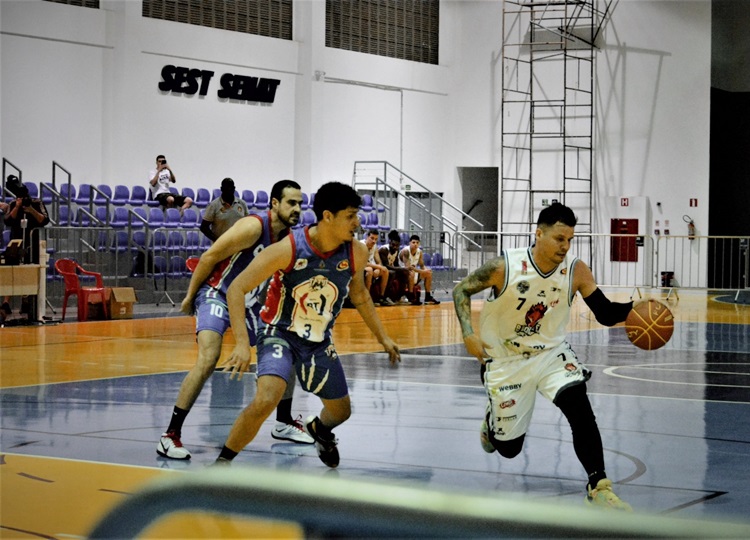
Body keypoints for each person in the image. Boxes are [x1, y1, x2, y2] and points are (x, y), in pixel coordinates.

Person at [452, 202, 633, 511]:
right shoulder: (504, 266)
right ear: (539, 234)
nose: (566, 246)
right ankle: (491, 421)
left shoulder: (576, 269)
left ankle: (598, 485)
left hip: (551, 354)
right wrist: (469, 333)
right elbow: (461, 291)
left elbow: (603, 313)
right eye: (559, 239)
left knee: (581, 411)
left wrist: (634, 310)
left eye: (570, 240)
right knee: (508, 450)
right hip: (507, 360)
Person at [215, 181, 401, 468]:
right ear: (328, 216)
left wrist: (383, 338)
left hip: (317, 340)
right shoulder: (289, 248)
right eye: (351, 215)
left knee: (341, 412)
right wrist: (241, 342)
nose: (357, 222)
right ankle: (223, 462)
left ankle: (320, 430)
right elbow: (236, 289)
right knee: (268, 397)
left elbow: (360, 295)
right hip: (278, 332)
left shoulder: (356, 253)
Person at [157, 179, 313, 460]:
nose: (297, 209)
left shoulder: (290, 238)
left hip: (248, 302)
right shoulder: (253, 226)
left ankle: (284, 421)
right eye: (291, 202)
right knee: (208, 357)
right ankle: (170, 435)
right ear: (275, 203)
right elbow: (209, 256)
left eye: (300, 204)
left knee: (286, 344)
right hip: (218, 292)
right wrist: (190, 297)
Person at [1, 176, 50, 322]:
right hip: (16, 241)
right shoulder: (12, 203)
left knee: (30, 270)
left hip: (32, 242)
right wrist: (17, 206)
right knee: (11, 270)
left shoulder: (36, 202)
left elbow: (44, 220)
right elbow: (8, 220)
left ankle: (28, 301)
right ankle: (6, 303)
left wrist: (30, 210)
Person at [199, 177, 249, 243]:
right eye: (226, 188)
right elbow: (204, 227)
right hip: (221, 247)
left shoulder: (242, 204)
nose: (229, 190)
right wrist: (217, 240)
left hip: (238, 245)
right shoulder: (214, 205)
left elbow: (247, 223)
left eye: (231, 188)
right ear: (221, 189)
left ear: (234, 189)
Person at [379, 230, 421, 305]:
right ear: (389, 242)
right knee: (392, 273)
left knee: (405, 273)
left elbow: (395, 264)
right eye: (393, 245)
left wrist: (404, 269)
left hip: (391, 269)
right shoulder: (384, 250)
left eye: (397, 245)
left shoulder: (396, 250)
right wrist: (402, 268)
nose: (395, 247)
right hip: (382, 269)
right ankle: (385, 296)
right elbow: (386, 265)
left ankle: (399, 296)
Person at [399, 234, 440, 305]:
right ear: (409, 243)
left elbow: (422, 265)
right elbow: (408, 267)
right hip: (402, 274)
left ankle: (427, 297)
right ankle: (411, 296)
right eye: (413, 242)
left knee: (428, 273)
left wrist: (426, 270)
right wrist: (422, 271)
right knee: (411, 273)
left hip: (413, 273)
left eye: (417, 243)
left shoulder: (419, 252)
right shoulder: (405, 251)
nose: (415, 244)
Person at [362, 229, 394, 306]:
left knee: (385, 270)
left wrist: (378, 268)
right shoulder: (361, 246)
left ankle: (381, 297)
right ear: (367, 237)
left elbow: (379, 262)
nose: (374, 241)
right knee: (370, 271)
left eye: (376, 239)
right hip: (360, 266)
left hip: (371, 266)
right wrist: (377, 267)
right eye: (372, 238)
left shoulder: (375, 247)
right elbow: (363, 263)